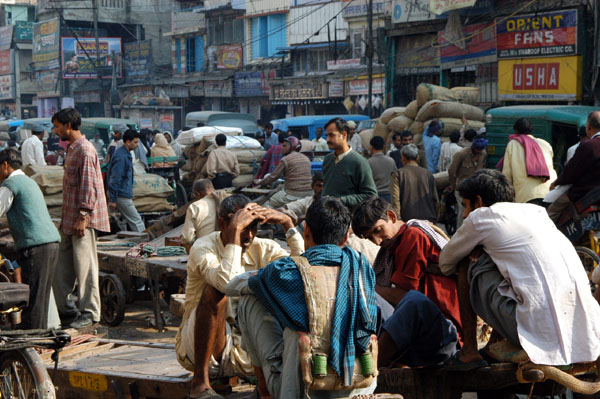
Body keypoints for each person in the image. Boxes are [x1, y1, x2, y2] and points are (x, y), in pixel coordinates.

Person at [439, 169, 600, 369]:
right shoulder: (536, 212)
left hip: (540, 331)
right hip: (587, 331)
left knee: (466, 263)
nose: (464, 214)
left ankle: (469, 351)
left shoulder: (481, 217)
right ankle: (492, 345)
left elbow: (445, 262)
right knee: (502, 259)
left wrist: (479, 248)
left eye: (466, 206)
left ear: (478, 202)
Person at [227, 197, 378, 398]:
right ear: (345, 238)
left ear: (306, 231)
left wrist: (236, 233)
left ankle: (264, 391)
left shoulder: (285, 273)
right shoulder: (361, 267)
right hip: (359, 385)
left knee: (250, 299)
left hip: (301, 391)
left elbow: (231, 286)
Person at [175, 195, 304, 399]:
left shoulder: (264, 247)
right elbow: (227, 284)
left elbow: (300, 273)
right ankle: (200, 381)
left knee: (279, 288)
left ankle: (263, 385)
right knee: (214, 292)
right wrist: (235, 233)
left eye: (253, 227)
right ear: (222, 224)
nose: (249, 235)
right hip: (204, 346)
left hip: (245, 346)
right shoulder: (203, 247)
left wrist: (288, 224)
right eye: (243, 227)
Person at [351, 197, 462, 365]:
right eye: (371, 238)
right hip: (424, 331)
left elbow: (404, 296)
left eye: (378, 230)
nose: (378, 241)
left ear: (391, 216)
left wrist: (367, 286)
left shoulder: (413, 235)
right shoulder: (395, 244)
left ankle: (372, 367)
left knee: (407, 300)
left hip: (445, 331)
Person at [51, 108, 110, 329]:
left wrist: (83, 216)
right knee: (62, 268)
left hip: (82, 220)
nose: (55, 131)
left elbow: (89, 187)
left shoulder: (85, 150)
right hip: (68, 219)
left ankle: (90, 313)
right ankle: (66, 311)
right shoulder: (72, 149)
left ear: (68, 126)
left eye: (57, 126)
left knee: (85, 268)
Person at [0, 149, 60, 329]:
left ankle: (30, 342)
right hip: (50, 243)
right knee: (40, 298)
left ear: (5, 165)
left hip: (37, 246)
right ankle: (40, 336)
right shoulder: (29, 181)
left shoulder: (10, 184)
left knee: (31, 300)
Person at [548, 111, 600, 223]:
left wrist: (556, 183)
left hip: (585, 194)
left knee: (551, 213)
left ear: (589, 126)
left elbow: (571, 172)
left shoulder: (589, 145)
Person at [321, 118, 377, 210]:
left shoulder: (359, 162)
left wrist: (342, 200)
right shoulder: (328, 159)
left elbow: (371, 195)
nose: (327, 139)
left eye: (331, 135)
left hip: (349, 218)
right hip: (327, 216)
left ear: (344, 135)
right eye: (326, 135)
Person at [498, 118, 556, 204]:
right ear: (532, 131)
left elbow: (507, 175)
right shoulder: (545, 144)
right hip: (548, 194)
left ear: (516, 131)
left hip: (524, 197)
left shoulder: (513, 144)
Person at [257, 136, 313, 208]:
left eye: (284, 146)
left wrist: (260, 183)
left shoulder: (285, 159)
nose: (282, 148)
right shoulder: (306, 158)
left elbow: (273, 177)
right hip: (309, 193)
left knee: (268, 204)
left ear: (291, 146)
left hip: (292, 194)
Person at [107, 129, 145, 232]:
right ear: (128, 142)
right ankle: (146, 244)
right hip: (121, 195)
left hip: (122, 193)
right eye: (135, 142)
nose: (137, 145)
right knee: (137, 221)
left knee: (119, 219)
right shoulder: (121, 157)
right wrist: (113, 199)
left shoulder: (125, 154)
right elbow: (115, 179)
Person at [447, 131, 487, 228]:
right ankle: (460, 234)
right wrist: (452, 185)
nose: (479, 151)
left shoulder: (483, 154)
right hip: (462, 188)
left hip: (475, 189)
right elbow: (452, 171)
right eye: (478, 149)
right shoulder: (461, 154)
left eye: (481, 149)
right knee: (463, 212)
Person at [390, 144, 438, 222]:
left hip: (408, 220)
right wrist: (435, 218)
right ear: (418, 157)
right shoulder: (428, 174)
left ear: (403, 157)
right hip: (428, 219)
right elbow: (435, 200)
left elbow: (395, 201)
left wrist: (398, 220)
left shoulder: (397, 174)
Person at [181, 179, 229, 246]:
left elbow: (187, 239)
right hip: (227, 248)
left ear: (197, 194)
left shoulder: (195, 206)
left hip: (205, 249)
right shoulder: (229, 201)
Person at [367, 136, 396, 203]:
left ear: (371, 147)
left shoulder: (368, 162)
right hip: (389, 196)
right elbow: (395, 178)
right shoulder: (391, 161)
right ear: (384, 146)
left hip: (374, 197)